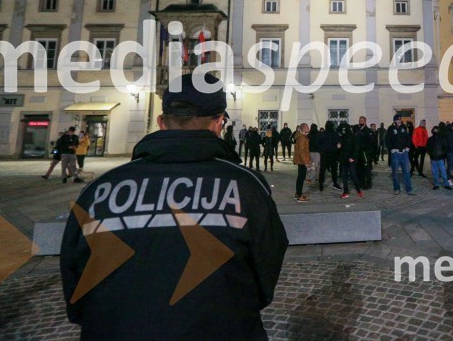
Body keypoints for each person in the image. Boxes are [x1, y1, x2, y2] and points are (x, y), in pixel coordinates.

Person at [60, 72, 288, 341]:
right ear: (218, 123)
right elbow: (266, 270)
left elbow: (75, 285)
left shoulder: (99, 190)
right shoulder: (246, 185)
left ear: (161, 122)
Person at [386, 114, 414, 195]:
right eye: (397, 120)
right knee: (395, 173)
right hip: (396, 154)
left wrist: (408, 146)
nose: (399, 121)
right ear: (394, 121)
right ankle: (396, 188)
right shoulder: (390, 128)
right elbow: (387, 140)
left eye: (400, 120)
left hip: (404, 153)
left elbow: (408, 138)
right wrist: (391, 149)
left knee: (406, 172)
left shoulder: (404, 127)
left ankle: (409, 189)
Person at [338, 123, 363, 199]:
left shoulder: (352, 137)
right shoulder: (342, 137)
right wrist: (339, 147)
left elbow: (356, 148)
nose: (343, 131)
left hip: (351, 159)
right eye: (342, 129)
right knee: (344, 176)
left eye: (344, 129)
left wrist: (353, 157)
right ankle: (345, 192)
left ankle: (358, 190)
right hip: (344, 159)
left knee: (353, 175)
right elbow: (341, 149)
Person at [317, 121, 341, 192]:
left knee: (324, 170)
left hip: (327, 154)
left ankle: (321, 183)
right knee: (332, 170)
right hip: (330, 154)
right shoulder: (334, 133)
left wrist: (321, 151)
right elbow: (338, 143)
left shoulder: (323, 134)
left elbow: (318, 144)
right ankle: (334, 183)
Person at [427, 125, 452, 190]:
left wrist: (442, 154)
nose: (435, 131)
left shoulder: (442, 138)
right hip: (433, 158)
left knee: (443, 172)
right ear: (432, 131)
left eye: (436, 130)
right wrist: (431, 154)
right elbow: (427, 148)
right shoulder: (430, 139)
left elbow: (445, 147)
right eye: (434, 130)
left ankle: (446, 184)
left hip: (440, 158)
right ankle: (436, 184)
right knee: (435, 172)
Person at [355, 116, 376, 189]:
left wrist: (365, 149)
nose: (360, 122)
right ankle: (361, 183)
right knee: (359, 169)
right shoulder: (357, 130)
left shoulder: (368, 131)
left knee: (367, 169)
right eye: (359, 121)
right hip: (358, 153)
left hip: (365, 153)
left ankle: (368, 184)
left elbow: (372, 142)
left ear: (365, 122)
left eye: (362, 121)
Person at [294, 123, 311, 202]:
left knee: (300, 178)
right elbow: (302, 151)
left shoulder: (302, 136)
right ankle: (299, 196)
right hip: (302, 161)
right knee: (301, 178)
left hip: (301, 160)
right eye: (307, 127)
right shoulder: (302, 138)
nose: (309, 128)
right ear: (304, 129)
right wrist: (306, 162)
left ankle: (298, 193)